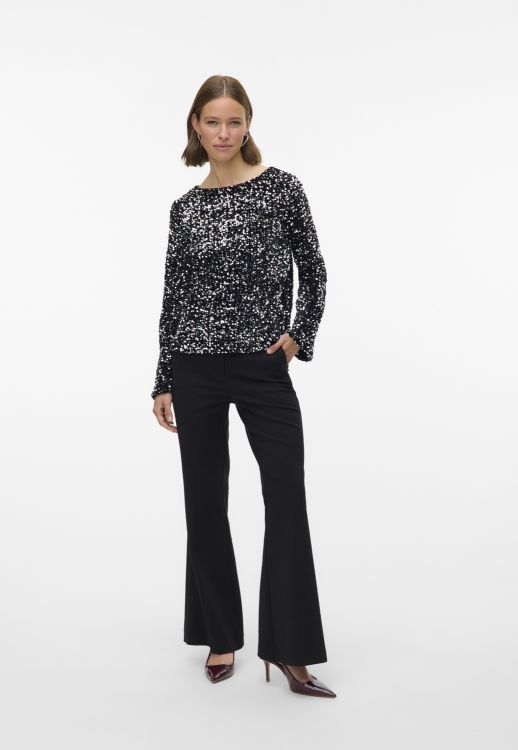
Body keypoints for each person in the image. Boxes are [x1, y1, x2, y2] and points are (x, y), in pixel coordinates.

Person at [150, 75, 336, 699]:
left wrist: (298, 335)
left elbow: (314, 269)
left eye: (234, 121)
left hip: (263, 368)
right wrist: (163, 378)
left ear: (248, 124)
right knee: (204, 502)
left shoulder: (281, 189)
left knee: (286, 495)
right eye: (213, 122)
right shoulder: (185, 208)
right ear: (196, 127)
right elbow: (174, 298)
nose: (224, 133)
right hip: (195, 368)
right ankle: (220, 635)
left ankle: (291, 650)